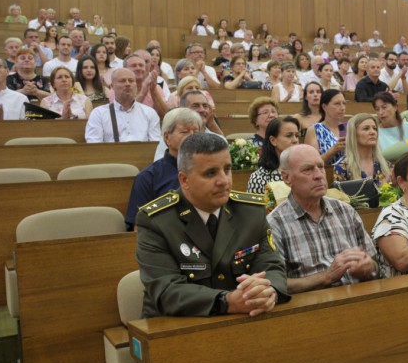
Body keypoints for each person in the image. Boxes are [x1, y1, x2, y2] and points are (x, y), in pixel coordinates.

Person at [136, 131, 288, 323]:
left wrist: (267, 291)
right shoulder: (157, 221)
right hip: (177, 329)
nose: (224, 181)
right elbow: (167, 290)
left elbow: (273, 266)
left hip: (243, 321)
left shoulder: (250, 212)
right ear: (184, 180)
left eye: (227, 169)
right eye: (210, 173)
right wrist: (226, 301)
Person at [268, 144, 379, 293]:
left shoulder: (345, 210)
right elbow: (276, 284)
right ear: (287, 178)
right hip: (314, 309)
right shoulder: (275, 223)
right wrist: (326, 276)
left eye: (320, 167)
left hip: (357, 298)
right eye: (307, 170)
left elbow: (375, 264)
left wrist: (368, 267)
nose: (319, 175)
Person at [125, 108, 203, 230]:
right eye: (185, 132)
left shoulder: (208, 171)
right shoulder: (148, 177)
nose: (192, 137)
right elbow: (139, 229)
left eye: (196, 132)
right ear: (167, 137)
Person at [85, 68, 161, 143]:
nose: (127, 84)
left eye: (131, 81)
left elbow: (155, 145)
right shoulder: (98, 114)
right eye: (122, 81)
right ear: (112, 86)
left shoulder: (150, 113)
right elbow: (94, 146)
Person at [333, 113, 390, 186]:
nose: (372, 132)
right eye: (366, 128)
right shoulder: (342, 167)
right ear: (354, 134)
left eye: (375, 128)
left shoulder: (384, 164)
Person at [247, 116, 301, 193]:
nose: (295, 140)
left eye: (297, 135)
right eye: (289, 135)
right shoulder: (259, 177)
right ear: (273, 140)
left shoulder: (308, 169)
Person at [304, 89, 346, 164]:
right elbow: (311, 162)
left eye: (344, 103)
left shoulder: (344, 127)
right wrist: (332, 151)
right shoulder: (315, 129)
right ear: (324, 107)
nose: (342, 107)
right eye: (337, 104)